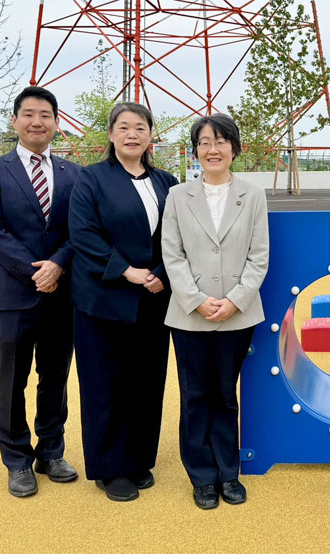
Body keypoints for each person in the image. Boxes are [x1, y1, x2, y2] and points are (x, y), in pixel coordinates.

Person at [0, 86, 80, 497]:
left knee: (54, 377)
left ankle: (51, 451)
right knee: (12, 378)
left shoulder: (75, 174)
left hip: (61, 293)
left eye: (46, 115)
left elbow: (79, 230)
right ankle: (17, 459)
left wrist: (58, 265)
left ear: (56, 122)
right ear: (15, 121)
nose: (38, 122)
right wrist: (36, 272)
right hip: (10, 295)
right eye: (29, 114)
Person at [69, 102, 178, 502]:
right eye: (124, 127)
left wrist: (162, 274)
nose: (133, 134)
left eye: (141, 127)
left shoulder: (167, 181)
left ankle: (137, 460)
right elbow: (83, 234)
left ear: (151, 135)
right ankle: (109, 467)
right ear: (111, 134)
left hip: (154, 298)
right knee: (105, 383)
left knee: (147, 382)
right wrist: (127, 271)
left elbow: (180, 236)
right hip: (104, 300)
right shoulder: (91, 179)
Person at [161, 113, 269, 510]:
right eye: (204, 142)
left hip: (238, 314)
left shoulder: (253, 195)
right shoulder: (178, 196)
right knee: (194, 395)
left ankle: (229, 473)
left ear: (235, 149)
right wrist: (196, 299)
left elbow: (259, 257)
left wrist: (235, 300)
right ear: (195, 151)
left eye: (221, 141)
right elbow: (171, 254)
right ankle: (202, 476)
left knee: (225, 394)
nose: (213, 149)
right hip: (189, 314)